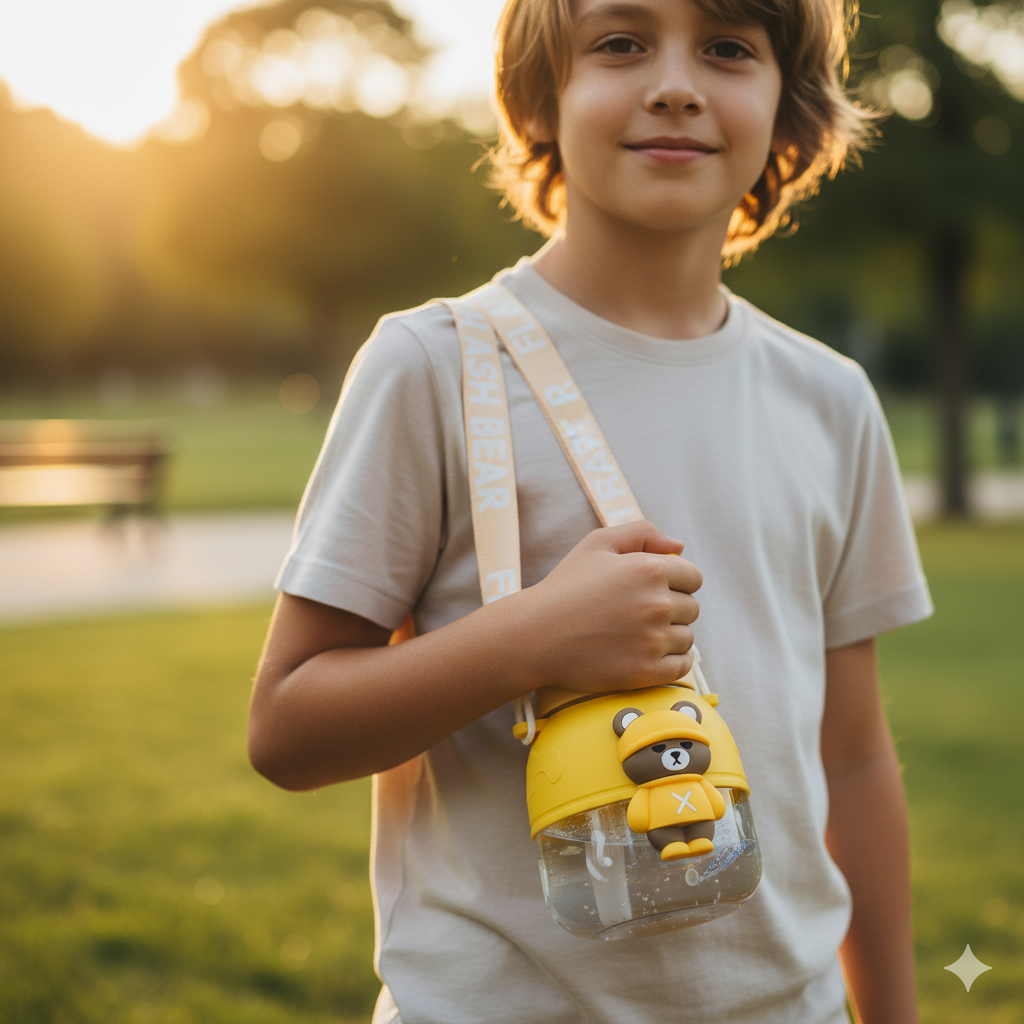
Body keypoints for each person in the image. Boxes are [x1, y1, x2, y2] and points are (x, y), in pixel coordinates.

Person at [248, 0, 932, 1020]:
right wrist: (524, 640)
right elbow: (288, 728)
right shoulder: (435, 364)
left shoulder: (829, 400)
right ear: (540, 99)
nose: (674, 83)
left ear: (787, 112)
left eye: (728, 49)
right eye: (619, 43)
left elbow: (855, 755)